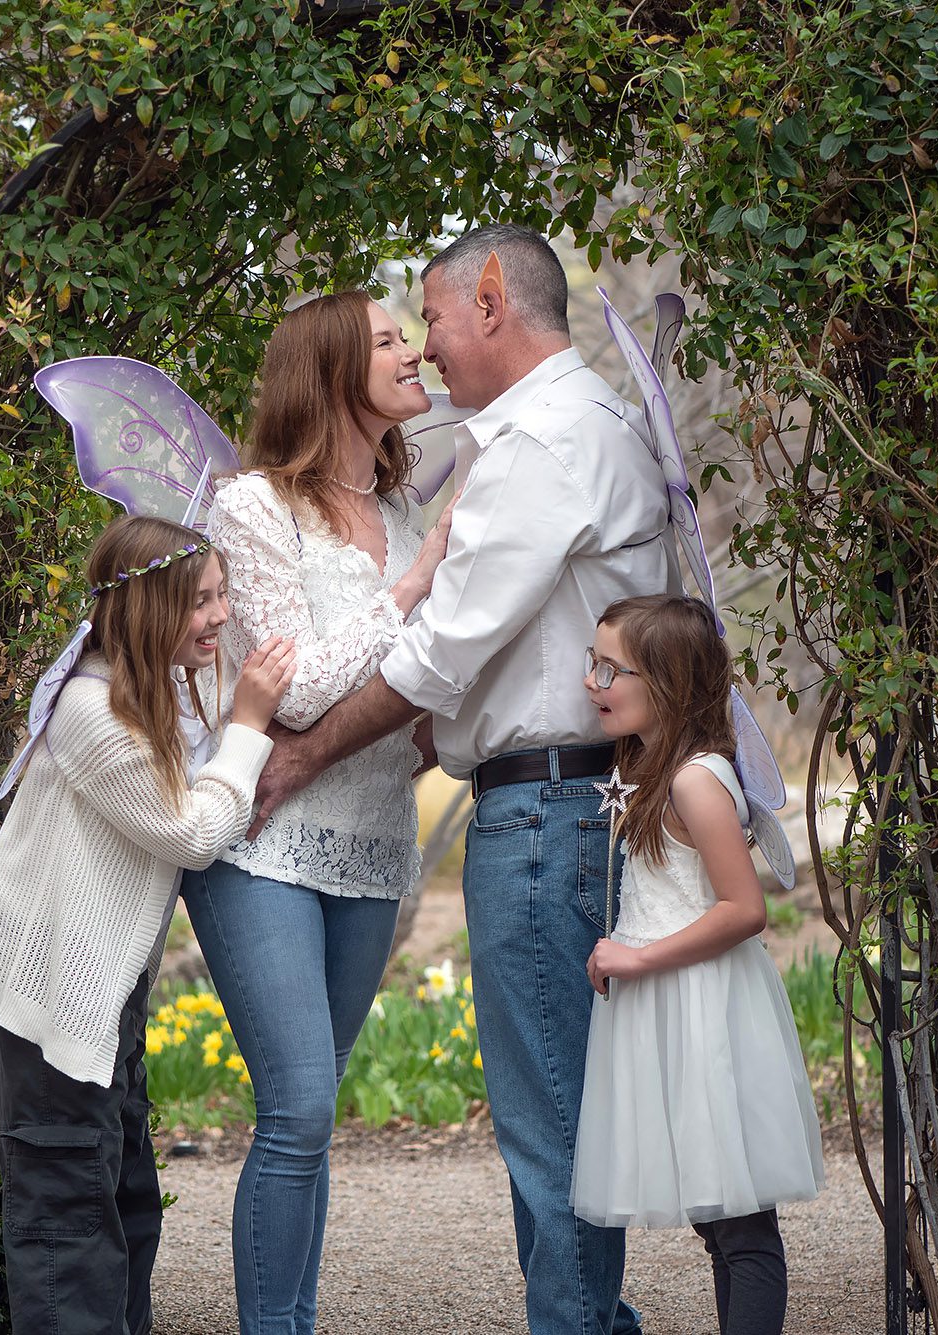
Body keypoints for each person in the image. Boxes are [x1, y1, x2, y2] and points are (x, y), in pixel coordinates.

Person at [251, 224, 671, 1335]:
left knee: (552, 1135)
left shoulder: (539, 444)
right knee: (563, 1118)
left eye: (428, 319)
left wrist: (298, 755)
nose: (427, 351)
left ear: (489, 302)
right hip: (563, 801)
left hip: (545, 814)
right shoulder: (575, 427)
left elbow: (443, 652)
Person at [183, 290, 454, 1335]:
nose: (411, 349)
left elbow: (410, 691)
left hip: (375, 839)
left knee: (315, 1115)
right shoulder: (253, 508)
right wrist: (411, 588)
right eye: (387, 340)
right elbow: (291, 691)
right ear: (331, 372)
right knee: (293, 1107)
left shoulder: (398, 516)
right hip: (263, 843)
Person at [0, 514, 297, 1335]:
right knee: (68, 1228)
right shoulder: (90, 709)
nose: (219, 615)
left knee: (126, 1209)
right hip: (50, 1004)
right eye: (200, 601)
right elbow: (190, 828)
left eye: (222, 594)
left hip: (100, 1002)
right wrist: (250, 727)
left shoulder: (148, 695)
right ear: (148, 609)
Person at [572, 594, 824, 1335]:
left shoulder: (693, 780)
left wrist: (638, 954)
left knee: (741, 1226)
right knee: (719, 1223)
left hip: (706, 1008)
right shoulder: (656, 767)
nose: (591, 681)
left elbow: (745, 909)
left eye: (608, 668)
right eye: (593, 663)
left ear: (668, 680)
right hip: (675, 1007)